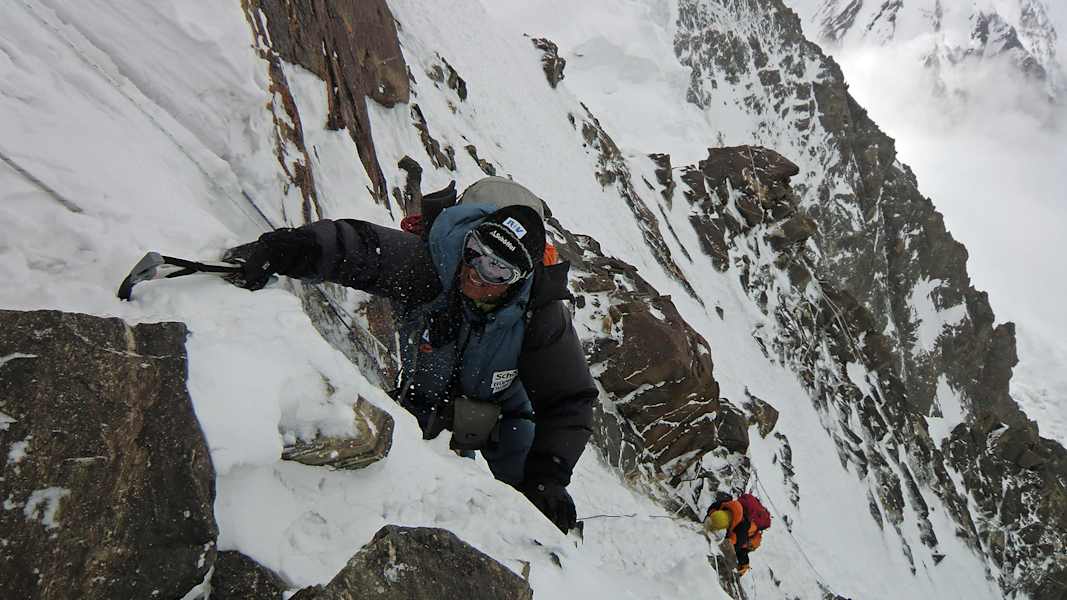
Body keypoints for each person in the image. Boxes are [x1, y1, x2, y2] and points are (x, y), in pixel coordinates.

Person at [232, 177, 596, 533]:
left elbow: (569, 399)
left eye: (497, 269)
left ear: (520, 279)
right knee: (420, 499)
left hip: (504, 414)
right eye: (475, 252)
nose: (475, 272)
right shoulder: (433, 266)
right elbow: (359, 248)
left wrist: (549, 477)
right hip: (423, 403)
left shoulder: (538, 315)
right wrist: (293, 249)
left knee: (531, 517)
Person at [704, 492, 771, 576]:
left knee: (742, 550)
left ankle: (744, 564)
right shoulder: (725, 506)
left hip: (748, 530)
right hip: (745, 522)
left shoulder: (742, 528)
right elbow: (731, 546)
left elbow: (736, 546)